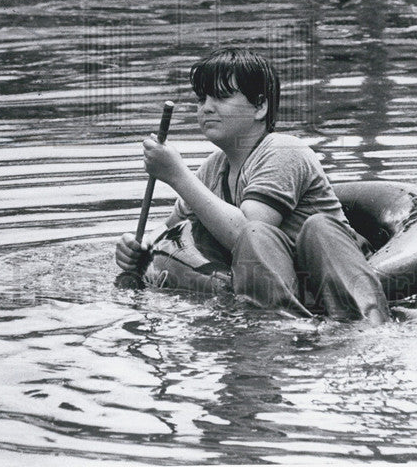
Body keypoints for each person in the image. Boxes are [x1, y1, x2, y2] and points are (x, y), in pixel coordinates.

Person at [115, 47, 390, 324]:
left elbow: (248, 233)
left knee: (293, 229)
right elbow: (169, 227)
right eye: (202, 99)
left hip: (333, 273)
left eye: (221, 96)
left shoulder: (283, 151)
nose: (207, 107)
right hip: (277, 286)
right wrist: (139, 247)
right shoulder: (214, 167)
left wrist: (176, 175)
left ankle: (359, 329)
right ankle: (278, 329)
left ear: (260, 107)